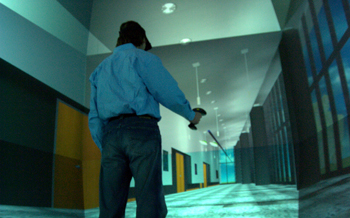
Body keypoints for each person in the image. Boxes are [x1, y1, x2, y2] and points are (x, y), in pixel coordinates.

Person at [88, 21, 202, 218]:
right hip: (141, 129)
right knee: (149, 200)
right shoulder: (143, 58)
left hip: (110, 135)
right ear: (140, 40)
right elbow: (166, 91)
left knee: (110, 206)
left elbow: (95, 116)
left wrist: (105, 145)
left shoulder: (99, 70)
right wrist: (191, 115)